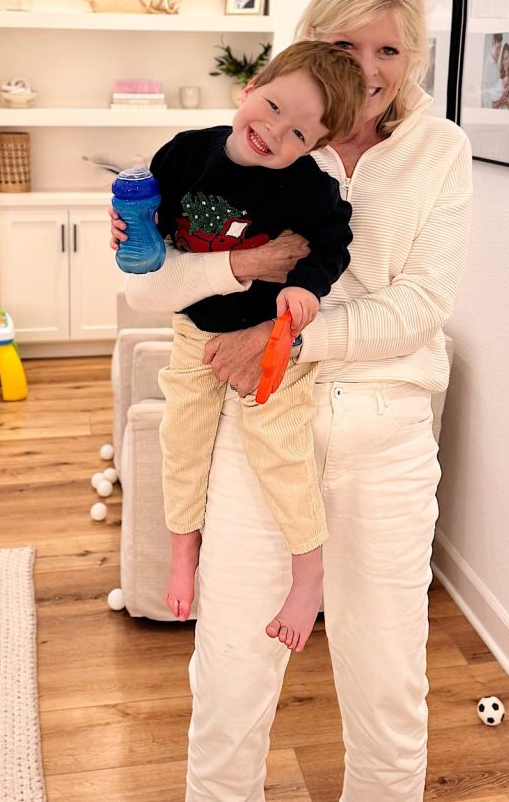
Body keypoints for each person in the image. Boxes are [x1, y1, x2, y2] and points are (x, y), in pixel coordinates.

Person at [111, 0, 473, 801]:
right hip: (258, 425)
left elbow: (422, 305)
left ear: (413, 57)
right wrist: (198, 253)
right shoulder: (244, 146)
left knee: (388, 688)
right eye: (346, 45)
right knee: (230, 677)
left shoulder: (438, 150)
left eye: (389, 50)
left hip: (385, 436)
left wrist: (287, 343)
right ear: (311, 43)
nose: (369, 68)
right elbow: (149, 287)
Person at [144, 40, 365, 652]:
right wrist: (128, 225)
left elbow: (333, 244)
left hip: (270, 333)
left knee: (279, 445)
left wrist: (306, 289)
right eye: (271, 107)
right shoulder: (186, 152)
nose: (273, 131)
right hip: (195, 329)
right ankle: (183, 549)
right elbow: (150, 223)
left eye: (297, 133)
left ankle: (308, 570)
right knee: (181, 437)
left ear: (315, 146)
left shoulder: (309, 190)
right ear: (250, 88)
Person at [482, 32, 504, 107]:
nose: (499, 52)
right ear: (493, 43)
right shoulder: (488, 65)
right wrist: (502, 99)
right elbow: (488, 103)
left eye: (500, 48)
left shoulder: (495, 64)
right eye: (497, 48)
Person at [492, 41, 509, 110]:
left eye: (507, 58)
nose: (505, 62)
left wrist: (507, 103)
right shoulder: (499, 78)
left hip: (508, 113)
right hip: (498, 112)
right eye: (503, 59)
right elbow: (493, 105)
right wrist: (501, 99)